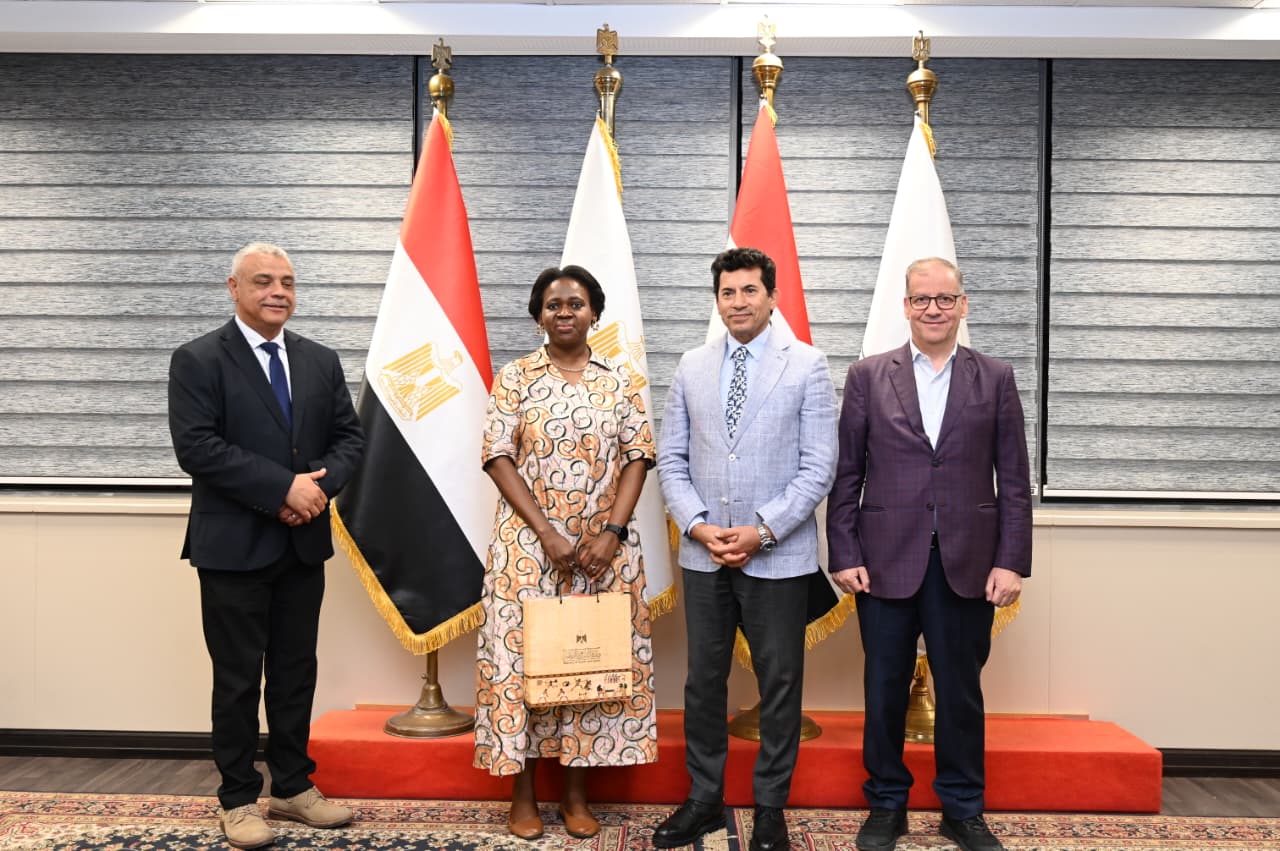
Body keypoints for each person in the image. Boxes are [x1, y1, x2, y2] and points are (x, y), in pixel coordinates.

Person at [826, 257, 1032, 851]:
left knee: (960, 692)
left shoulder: (996, 377)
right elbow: (847, 475)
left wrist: (1011, 560)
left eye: (945, 299)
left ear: (963, 305)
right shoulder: (868, 376)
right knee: (883, 689)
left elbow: (1014, 480)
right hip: (883, 561)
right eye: (922, 299)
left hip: (969, 563)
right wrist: (844, 551)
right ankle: (886, 804)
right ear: (906, 306)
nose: (933, 309)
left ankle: (962, 809)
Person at [168, 242, 365, 850]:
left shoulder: (320, 360)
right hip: (232, 548)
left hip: (301, 546)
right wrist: (283, 488)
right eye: (263, 281)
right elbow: (197, 448)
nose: (278, 291)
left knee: (294, 674)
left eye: (287, 282)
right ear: (234, 288)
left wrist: (314, 492)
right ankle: (236, 799)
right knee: (236, 679)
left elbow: (350, 440)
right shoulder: (198, 359)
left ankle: (293, 787)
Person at [654, 246, 838, 851]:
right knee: (703, 681)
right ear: (717, 300)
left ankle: (770, 808)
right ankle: (704, 800)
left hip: (778, 555)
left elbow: (819, 466)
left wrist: (763, 529)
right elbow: (671, 460)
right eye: (728, 292)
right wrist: (696, 525)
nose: (738, 302)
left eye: (750, 290)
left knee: (779, 680)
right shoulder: (692, 366)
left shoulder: (807, 365)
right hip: (704, 553)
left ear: (772, 297)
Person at [473, 264, 658, 841]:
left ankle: (576, 795)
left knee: (588, 667)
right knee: (524, 666)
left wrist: (612, 533)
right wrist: (548, 534)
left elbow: (638, 457)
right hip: (528, 550)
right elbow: (497, 456)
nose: (564, 313)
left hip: (603, 552)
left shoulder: (620, 379)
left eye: (575, 303)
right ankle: (523, 795)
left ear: (594, 313)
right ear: (538, 316)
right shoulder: (515, 377)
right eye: (553, 305)